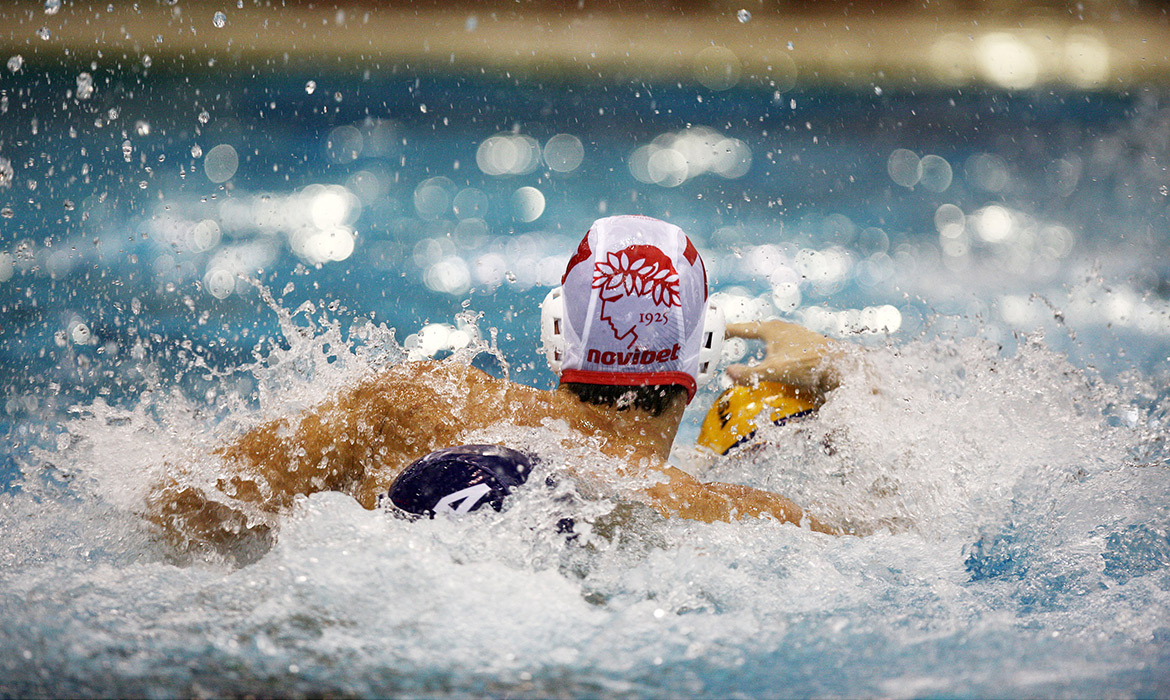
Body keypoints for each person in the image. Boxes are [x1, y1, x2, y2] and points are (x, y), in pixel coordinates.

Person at [146, 215, 847, 557]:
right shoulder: (715, 514)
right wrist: (840, 370)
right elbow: (896, 539)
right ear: (703, 354)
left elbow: (180, 505)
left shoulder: (411, 402)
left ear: (555, 334)